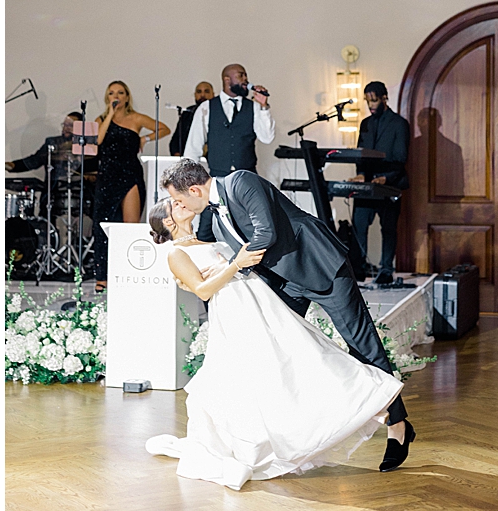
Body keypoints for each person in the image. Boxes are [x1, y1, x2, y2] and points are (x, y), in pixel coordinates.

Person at [160, 159, 415, 475]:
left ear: (196, 189)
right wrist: (224, 268)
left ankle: (398, 425)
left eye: (180, 199)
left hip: (321, 267)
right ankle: (297, 431)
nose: (179, 205)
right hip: (285, 282)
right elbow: (230, 259)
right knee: (285, 350)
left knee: (361, 344)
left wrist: (237, 264)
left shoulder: (240, 182)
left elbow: (265, 232)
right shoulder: (213, 223)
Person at [92, 80, 170, 292]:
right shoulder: (101, 119)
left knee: (130, 225)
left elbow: (164, 128)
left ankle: (127, 272)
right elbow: (97, 141)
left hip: (129, 174)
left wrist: (145, 138)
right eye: (111, 93)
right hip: (107, 175)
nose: (115, 96)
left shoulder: (136, 118)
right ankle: (102, 277)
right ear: (107, 97)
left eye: (120, 92)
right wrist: (109, 113)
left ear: (127, 96)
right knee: (101, 225)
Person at [182, 63, 275, 242]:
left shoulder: (254, 107)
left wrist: (264, 107)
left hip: (247, 180)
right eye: (241, 76)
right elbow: (193, 148)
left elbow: (267, 138)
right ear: (227, 79)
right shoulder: (207, 108)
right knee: (206, 234)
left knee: (252, 232)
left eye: (246, 76)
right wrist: (190, 183)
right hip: (215, 182)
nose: (245, 80)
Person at [348, 82, 410, 287]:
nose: (370, 105)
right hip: (368, 185)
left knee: (388, 228)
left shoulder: (399, 124)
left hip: (389, 184)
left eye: (373, 100)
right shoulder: (365, 123)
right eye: (367, 101)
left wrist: (386, 178)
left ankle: (385, 270)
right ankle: (358, 267)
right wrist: (361, 175)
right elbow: (361, 154)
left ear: (384, 98)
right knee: (359, 224)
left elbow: (401, 158)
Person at [5, 111, 98, 217]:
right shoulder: (52, 143)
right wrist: (12, 166)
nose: (66, 128)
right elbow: (34, 161)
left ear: (81, 128)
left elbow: (94, 170)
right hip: (54, 193)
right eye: (65, 125)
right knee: (45, 210)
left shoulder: (89, 146)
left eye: (71, 125)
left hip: (82, 193)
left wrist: (92, 177)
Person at [168, 81, 214, 156]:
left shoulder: (219, 112)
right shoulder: (188, 113)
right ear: (195, 95)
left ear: (213, 94)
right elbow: (176, 140)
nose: (202, 95)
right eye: (199, 92)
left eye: (207, 91)